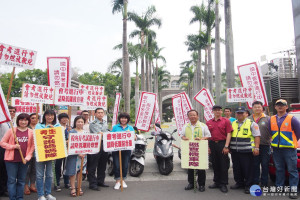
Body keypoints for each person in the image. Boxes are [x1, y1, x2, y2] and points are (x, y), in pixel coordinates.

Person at [269, 99, 300, 199]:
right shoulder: (272, 118)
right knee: (279, 169)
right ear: (275, 107)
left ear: (286, 107)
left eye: (282, 105)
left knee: (292, 170)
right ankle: (279, 187)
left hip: (289, 149)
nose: (280, 106)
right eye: (278, 105)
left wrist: (292, 142)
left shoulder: (292, 118)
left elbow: (298, 133)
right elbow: (270, 133)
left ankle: (293, 190)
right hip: (277, 149)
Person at [0, 113, 35, 200]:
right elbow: (2, 143)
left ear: (28, 121)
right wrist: (13, 146)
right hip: (11, 160)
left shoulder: (31, 132)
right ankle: (12, 198)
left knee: (21, 181)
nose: (23, 122)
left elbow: (32, 147)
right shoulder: (11, 130)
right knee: (11, 181)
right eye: (21, 120)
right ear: (18, 121)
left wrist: (28, 157)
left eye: (26, 120)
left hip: (24, 161)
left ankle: (20, 198)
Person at [230, 106, 260, 194]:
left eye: (242, 113)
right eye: (238, 113)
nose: (239, 115)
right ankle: (239, 183)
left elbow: (257, 136)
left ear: (246, 114)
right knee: (236, 168)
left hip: (247, 151)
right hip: (235, 151)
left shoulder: (252, 123)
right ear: (236, 114)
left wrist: (256, 148)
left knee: (247, 169)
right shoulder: (233, 123)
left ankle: (248, 184)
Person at [181, 109, 211, 192]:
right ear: (188, 117)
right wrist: (184, 138)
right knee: (190, 167)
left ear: (197, 116)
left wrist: (201, 138)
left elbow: (208, 136)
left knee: (201, 168)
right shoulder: (185, 126)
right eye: (191, 115)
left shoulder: (203, 125)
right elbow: (182, 136)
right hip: (190, 150)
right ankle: (191, 183)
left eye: (194, 115)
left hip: (200, 150)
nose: (193, 116)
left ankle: (201, 185)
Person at [206, 105, 233, 193]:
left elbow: (229, 134)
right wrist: (208, 147)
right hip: (212, 144)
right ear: (213, 111)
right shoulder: (209, 122)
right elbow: (207, 136)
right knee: (214, 163)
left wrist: (226, 146)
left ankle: (223, 183)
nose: (217, 112)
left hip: (222, 143)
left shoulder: (226, 121)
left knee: (223, 164)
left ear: (221, 112)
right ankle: (216, 182)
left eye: (219, 110)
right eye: (215, 110)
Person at [35, 110, 61, 200]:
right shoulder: (38, 126)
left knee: (49, 174)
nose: (50, 117)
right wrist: (46, 129)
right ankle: (40, 195)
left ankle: (48, 193)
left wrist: (53, 129)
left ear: (54, 117)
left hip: (52, 153)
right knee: (39, 175)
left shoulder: (58, 126)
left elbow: (59, 138)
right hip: (40, 154)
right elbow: (38, 137)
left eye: (52, 115)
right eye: (48, 115)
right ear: (44, 116)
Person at [249, 101, 271, 187]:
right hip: (252, 146)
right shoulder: (249, 119)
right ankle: (255, 181)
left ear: (262, 108)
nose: (257, 108)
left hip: (265, 145)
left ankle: (264, 182)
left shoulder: (268, 118)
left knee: (265, 164)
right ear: (252, 108)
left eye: (259, 107)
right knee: (255, 164)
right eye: (255, 107)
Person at [64, 116, 87, 197]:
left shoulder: (86, 132)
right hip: (73, 155)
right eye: (78, 122)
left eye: (82, 122)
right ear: (75, 122)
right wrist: (78, 153)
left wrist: (84, 152)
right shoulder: (72, 132)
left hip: (83, 155)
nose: (80, 123)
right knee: (72, 172)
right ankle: (73, 188)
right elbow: (70, 144)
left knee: (80, 172)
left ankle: (79, 187)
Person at [111, 112, 134, 190]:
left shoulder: (130, 128)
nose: (123, 119)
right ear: (119, 119)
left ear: (127, 119)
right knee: (117, 165)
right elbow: (110, 137)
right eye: (122, 118)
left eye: (125, 118)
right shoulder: (115, 127)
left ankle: (123, 180)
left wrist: (133, 136)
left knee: (125, 165)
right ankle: (117, 181)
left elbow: (134, 137)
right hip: (116, 150)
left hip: (126, 150)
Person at [88, 108, 109, 191]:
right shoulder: (92, 123)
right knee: (93, 165)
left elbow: (106, 132)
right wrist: (106, 134)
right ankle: (92, 183)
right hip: (96, 145)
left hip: (105, 145)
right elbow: (99, 134)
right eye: (98, 113)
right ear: (95, 114)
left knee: (102, 165)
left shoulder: (105, 122)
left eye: (102, 112)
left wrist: (106, 134)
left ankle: (100, 181)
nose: (100, 114)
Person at [0, 106, 16, 197]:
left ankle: (5, 188)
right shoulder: (2, 123)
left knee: (7, 169)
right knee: (1, 168)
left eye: (13, 111)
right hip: (2, 147)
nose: (12, 113)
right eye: (10, 111)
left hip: (11, 148)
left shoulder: (14, 123)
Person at [54, 113, 70, 191]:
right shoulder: (56, 127)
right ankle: (56, 183)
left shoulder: (69, 128)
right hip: (58, 149)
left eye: (66, 118)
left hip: (67, 150)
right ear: (59, 119)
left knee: (66, 166)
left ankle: (66, 182)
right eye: (63, 118)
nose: (64, 120)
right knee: (57, 167)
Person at [24, 113, 39, 195]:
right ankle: (26, 186)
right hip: (28, 152)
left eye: (36, 118)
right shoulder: (26, 128)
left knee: (34, 169)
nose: (34, 119)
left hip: (37, 152)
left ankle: (32, 185)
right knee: (27, 170)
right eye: (32, 118)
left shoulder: (39, 128)